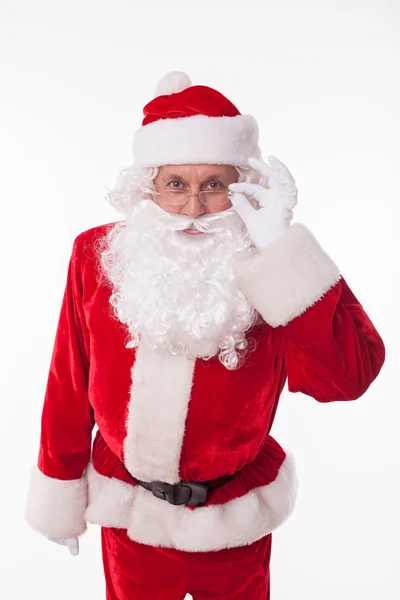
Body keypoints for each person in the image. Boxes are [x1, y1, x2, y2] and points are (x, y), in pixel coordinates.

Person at [25, 71, 386, 600]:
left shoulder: (270, 262)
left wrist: (284, 251)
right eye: (176, 185)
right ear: (147, 186)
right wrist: (60, 493)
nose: (193, 209)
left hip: (234, 525)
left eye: (213, 185)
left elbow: (347, 377)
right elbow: (68, 381)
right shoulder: (96, 255)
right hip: (132, 523)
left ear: (239, 186)